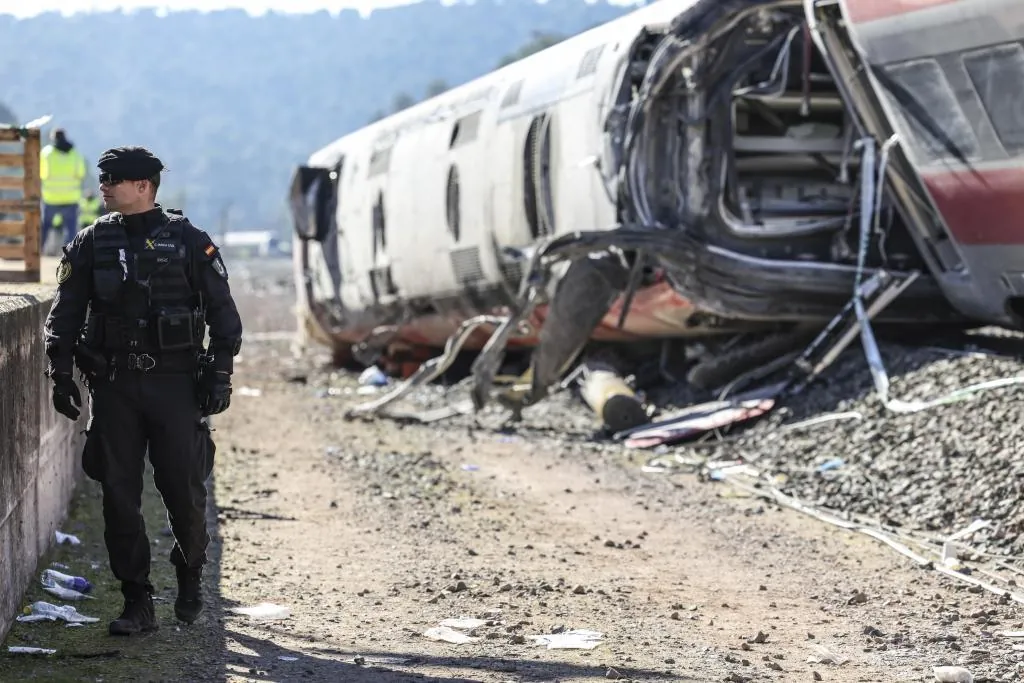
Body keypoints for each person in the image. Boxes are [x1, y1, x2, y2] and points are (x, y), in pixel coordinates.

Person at [42, 146, 243, 636]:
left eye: (114, 179)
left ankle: (191, 566)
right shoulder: (91, 242)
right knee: (118, 497)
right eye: (103, 178)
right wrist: (61, 372)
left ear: (144, 187)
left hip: (176, 386)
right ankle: (138, 602)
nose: (104, 186)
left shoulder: (190, 241)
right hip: (115, 387)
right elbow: (65, 314)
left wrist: (219, 374)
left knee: (184, 491)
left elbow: (224, 315)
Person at [40, 128, 87, 252]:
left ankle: (37, 253)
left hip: (51, 197)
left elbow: (42, 173)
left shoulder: (46, 153)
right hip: (71, 197)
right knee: (71, 230)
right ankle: (69, 257)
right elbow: (81, 174)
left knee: (44, 227)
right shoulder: (75, 153)